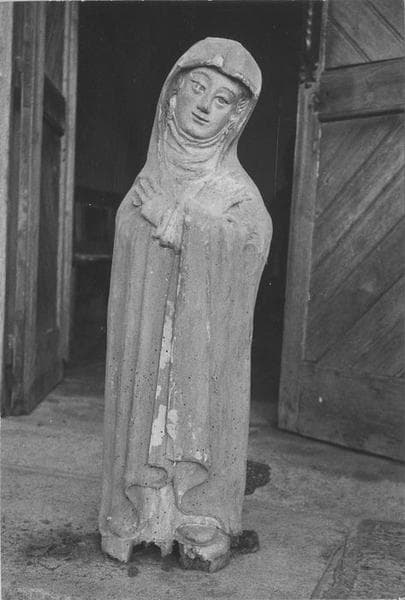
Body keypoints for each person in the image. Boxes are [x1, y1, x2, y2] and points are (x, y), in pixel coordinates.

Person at [99, 37, 272, 572]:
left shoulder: (235, 188)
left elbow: (251, 243)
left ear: (234, 118)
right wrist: (150, 221)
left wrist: (178, 219)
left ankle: (201, 511)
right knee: (142, 396)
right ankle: (139, 507)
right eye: (197, 88)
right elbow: (130, 236)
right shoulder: (148, 178)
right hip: (149, 328)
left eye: (222, 100)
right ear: (172, 94)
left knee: (198, 403)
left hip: (200, 343)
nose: (204, 106)